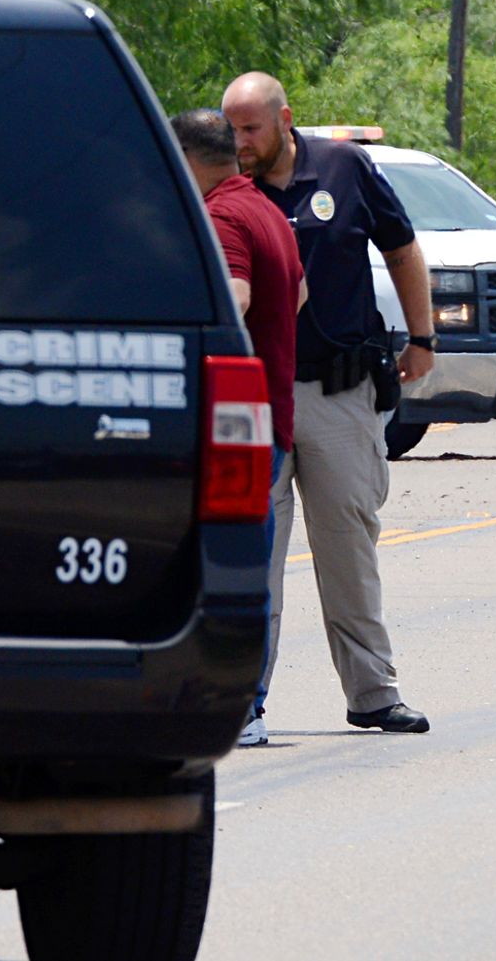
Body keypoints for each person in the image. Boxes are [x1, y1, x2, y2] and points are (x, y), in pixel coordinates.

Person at [220, 72, 434, 733]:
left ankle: (373, 692)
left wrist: (423, 336)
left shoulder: (344, 166)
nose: (241, 142)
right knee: (256, 554)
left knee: (349, 549)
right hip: (257, 398)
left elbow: (401, 248)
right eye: (231, 130)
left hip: (339, 391)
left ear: (286, 119)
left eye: (251, 127)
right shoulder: (228, 191)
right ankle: (242, 705)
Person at [170, 108, 306, 747]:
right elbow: (298, 295)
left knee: (228, 570)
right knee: (244, 565)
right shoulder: (263, 208)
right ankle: (240, 702)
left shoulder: (222, 215)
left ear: (188, 158)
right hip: (272, 416)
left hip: (240, 425)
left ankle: (242, 708)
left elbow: (237, 298)